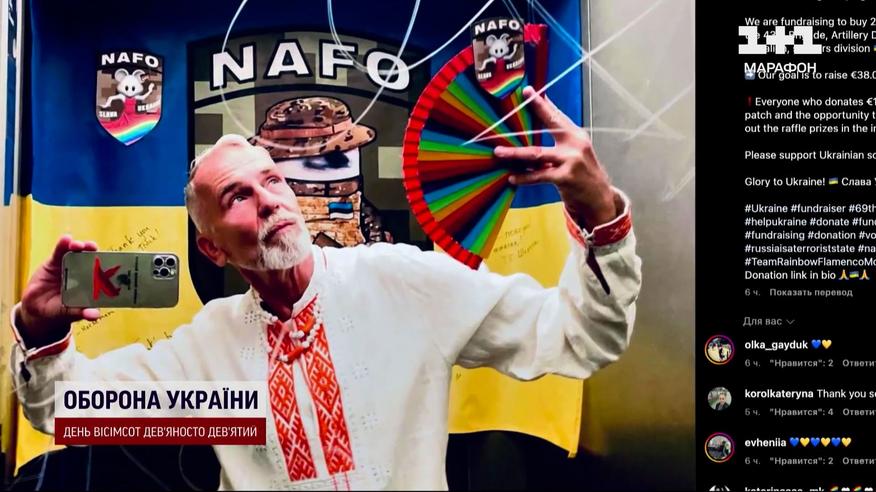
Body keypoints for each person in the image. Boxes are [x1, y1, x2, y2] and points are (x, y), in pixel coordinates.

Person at [10, 86, 642, 490]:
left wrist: (601, 214)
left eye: (273, 180)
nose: (269, 200)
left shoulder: (403, 284)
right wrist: (42, 329)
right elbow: (73, 411)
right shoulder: (208, 351)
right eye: (236, 196)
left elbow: (580, 337)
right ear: (212, 248)